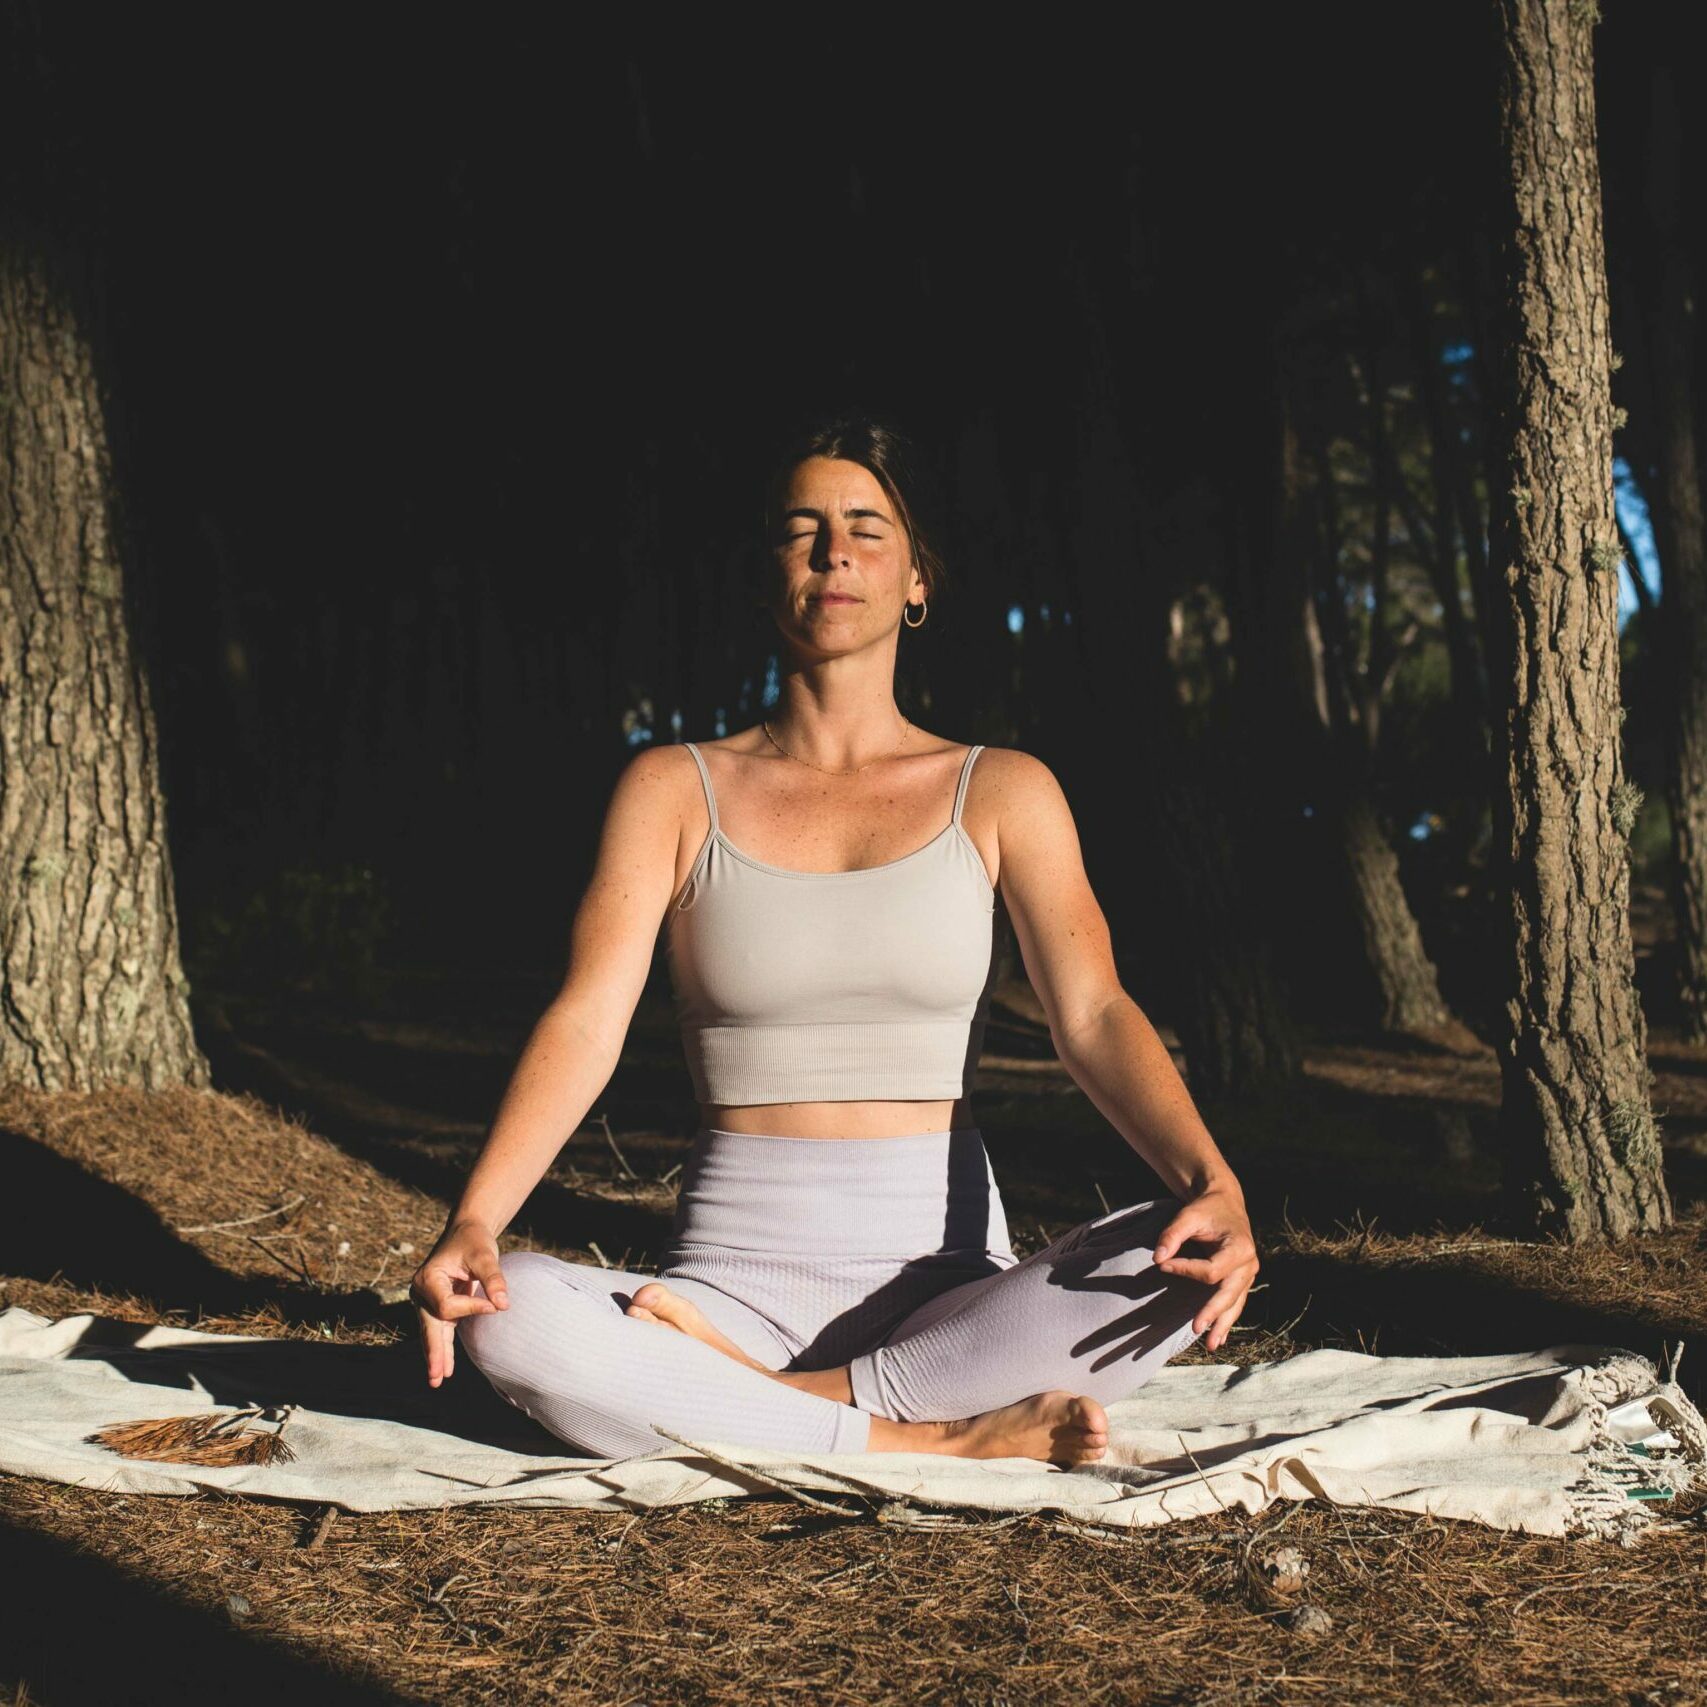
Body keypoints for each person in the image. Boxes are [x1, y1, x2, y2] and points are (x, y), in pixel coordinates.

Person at [410, 416, 1259, 1467]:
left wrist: (1211, 1179)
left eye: (866, 527)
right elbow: (587, 1020)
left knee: (1167, 1257)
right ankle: (931, 1443)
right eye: (800, 529)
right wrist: (476, 1219)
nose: (833, 553)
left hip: (951, 1302)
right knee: (513, 1318)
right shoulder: (673, 788)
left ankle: (758, 1401)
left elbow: (1092, 1014)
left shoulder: (1003, 790)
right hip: (727, 1284)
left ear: (917, 578)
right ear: (766, 573)